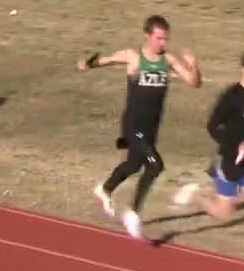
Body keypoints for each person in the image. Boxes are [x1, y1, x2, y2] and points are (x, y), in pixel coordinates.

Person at [79, 15, 202, 239]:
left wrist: (193, 66)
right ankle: (133, 213)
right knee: (155, 165)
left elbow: (194, 83)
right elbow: (106, 60)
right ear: (148, 36)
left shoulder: (169, 60)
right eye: (159, 38)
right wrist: (87, 64)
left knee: (134, 164)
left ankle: (104, 189)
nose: (162, 43)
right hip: (133, 125)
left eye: (165, 39)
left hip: (152, 127)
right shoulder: (133, 57)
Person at [172, 50, 244, 271]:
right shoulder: (231, 96)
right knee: (224, 213)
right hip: (229, 162)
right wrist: (236, 147)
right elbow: (213, 126)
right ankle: (196, 196)